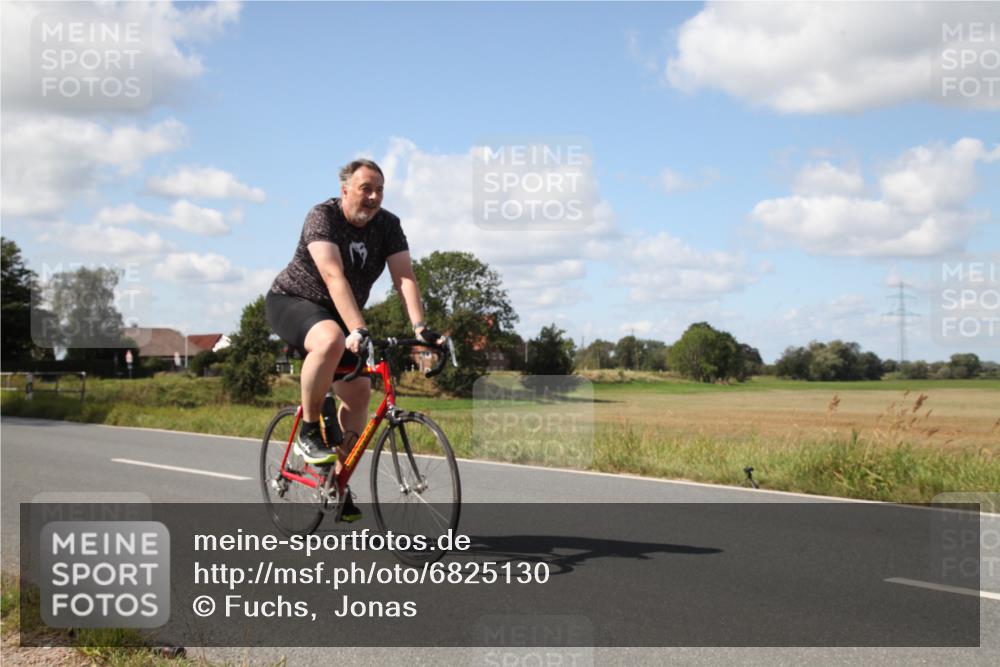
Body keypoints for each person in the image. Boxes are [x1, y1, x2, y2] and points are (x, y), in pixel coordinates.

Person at [266, 158, 441, 521]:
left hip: (341, 314)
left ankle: (336, 481)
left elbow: (404, 277)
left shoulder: (388, 225)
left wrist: (421, 328)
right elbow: (332, 275)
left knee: (360, 394)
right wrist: (358, 328)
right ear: (345, 190)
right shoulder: (323, 216)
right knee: (330, 339)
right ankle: (309, 430)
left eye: (379, 190)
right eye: (366, 189)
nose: (374, 196)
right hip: (295, 302)